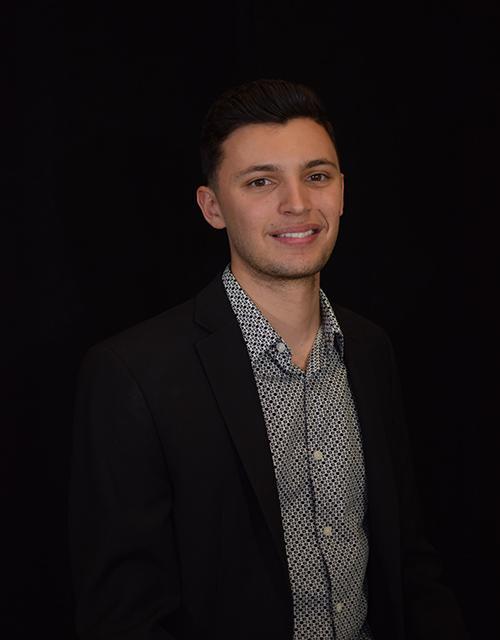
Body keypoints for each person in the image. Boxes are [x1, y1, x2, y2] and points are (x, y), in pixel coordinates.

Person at [68, 78, 469, 640]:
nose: (298, 203)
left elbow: (409, 560)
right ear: (212, 207)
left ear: (342, 191)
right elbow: (125, 619)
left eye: (317, 176)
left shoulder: (371, 350)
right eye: (261, 181)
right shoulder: (133, 374)